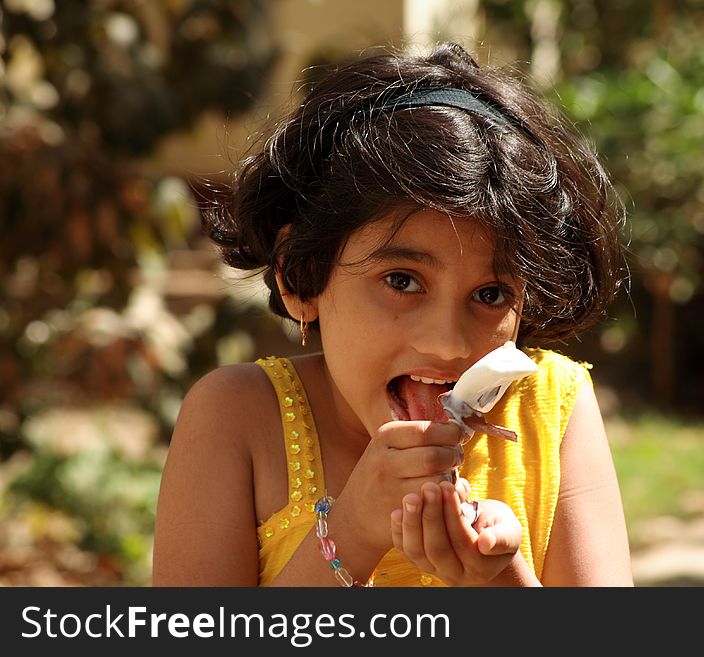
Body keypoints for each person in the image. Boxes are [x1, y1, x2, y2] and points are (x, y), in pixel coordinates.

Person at [152, 42, 632, 587]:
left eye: (491, 294)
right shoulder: (237, 417)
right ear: (300, 277)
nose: (448, 345)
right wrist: (352, 530)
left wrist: (499, 579)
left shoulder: (553, 410)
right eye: (402, 282)